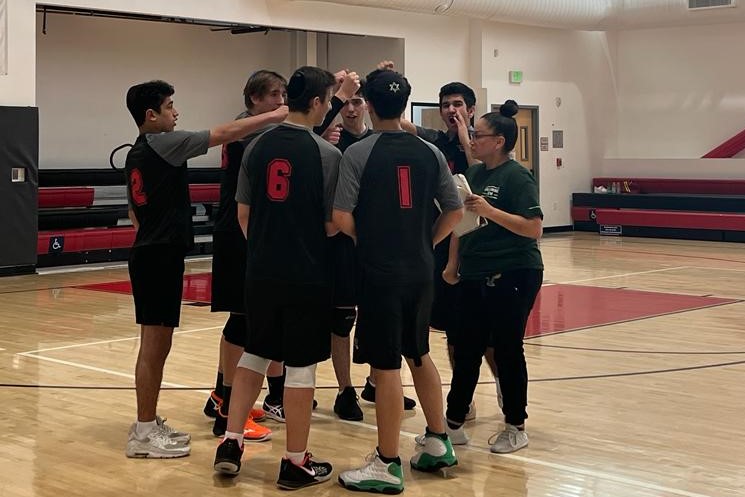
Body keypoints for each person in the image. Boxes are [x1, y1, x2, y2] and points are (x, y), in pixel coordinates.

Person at [124, 79, 287, 458]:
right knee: (154, 347)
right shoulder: (164, 143)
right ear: (151, 115)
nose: (176, 113)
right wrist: (276, 116)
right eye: (169, 106)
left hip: (154, 252)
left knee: (156, 346)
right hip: (158, 256)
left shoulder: (138, 152)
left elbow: (134, 212)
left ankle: (148, 423)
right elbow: (224, 132)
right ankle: (144, 432)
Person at [334, 69, 464, 494]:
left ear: (367, 104)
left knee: (385, 364)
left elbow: (340, 217)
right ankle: (438, 440)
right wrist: (424, 241)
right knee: (419, 352)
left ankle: (388, 463)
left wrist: (368, 239)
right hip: (420, 269)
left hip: (380, 271)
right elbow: (455, 211)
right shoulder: (429, 152)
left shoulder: (358, 154)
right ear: (406, 105)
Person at [213, 66, 341, 490]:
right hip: (305, 273)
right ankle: (295, 460)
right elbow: (331, 223)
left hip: (261, 271)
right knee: (301, 367)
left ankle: (230, 442)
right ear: (320, 103)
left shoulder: (257, 146)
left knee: (255, 351)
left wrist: (268, 246)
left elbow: (244, 215)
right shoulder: (327, 155)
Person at [441, 101, 543, 454]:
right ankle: (452, 424)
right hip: (474, 273)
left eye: (478, 135)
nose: (472, 140)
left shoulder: (518, 177)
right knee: (466, 347)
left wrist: (491, 211)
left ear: (498, 141)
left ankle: (516, 424)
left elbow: (533, 228)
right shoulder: (478, 174)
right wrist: (453, 264)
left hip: (514, 272)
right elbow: (463, 225)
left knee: (507, 349)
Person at [403, 78, 502, 417]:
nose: (451, 111)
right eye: (445, 105)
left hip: (481, 246)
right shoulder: (434, 141)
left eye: (458, 105)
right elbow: (400, 123)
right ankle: (465, 397)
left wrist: (465, 137)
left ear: (471, 110)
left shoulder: (487, 147)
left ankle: (502, 384)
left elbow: (477, 171)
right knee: (451, 328)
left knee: (485, 331)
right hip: (443, 244)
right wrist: (387, 82)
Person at [207, 70, 290, 443]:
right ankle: (227, 410)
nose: (280, 101)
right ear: (254, 99)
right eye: (274, 94)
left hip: (236, 232)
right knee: (242, 322)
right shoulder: (251, 130)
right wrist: (332, 97)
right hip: (238, 233)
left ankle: (220, 396)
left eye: (284, 93)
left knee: (239, 318)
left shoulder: (250, 129)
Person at [327, 81, 417, 421]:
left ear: (368, 105)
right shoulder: (332, 142)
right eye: (345, 102)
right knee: (342, 319)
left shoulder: (380, 141)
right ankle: (343, 390)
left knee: (378, 316)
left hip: (378, 246)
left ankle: (376, 382)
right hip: (343, 243)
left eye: (358, 101)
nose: (351, 108)